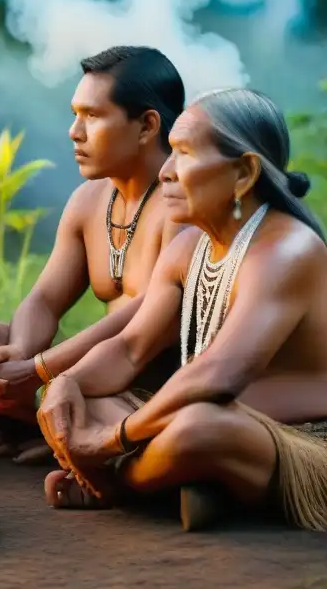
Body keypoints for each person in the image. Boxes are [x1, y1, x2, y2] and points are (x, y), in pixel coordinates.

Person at [36, 87, 327, 532]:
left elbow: (218, 375)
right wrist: (65, 383)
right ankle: (190, 485)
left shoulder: (288, 250)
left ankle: (123, 485)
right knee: (80, 401)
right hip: (188, 417)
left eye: (184, 154)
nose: (166, 172)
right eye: (168, 153)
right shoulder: (189, 245)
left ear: (244, 173)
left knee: (200, 430)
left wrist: (112, 442)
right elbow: (130, 349)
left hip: (296, 437)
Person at [0, 46, 187, 464]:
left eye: (93, 116)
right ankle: (56, 427)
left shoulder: (181, 204)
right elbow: (45, 299)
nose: (74, 131)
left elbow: (147, 313)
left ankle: (70, 433)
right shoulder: (89, 200)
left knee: (110, 406)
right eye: (75, 114)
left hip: (145, 384)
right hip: (87, 375)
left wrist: (40, 369)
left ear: (147, 125)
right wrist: (20, 351)